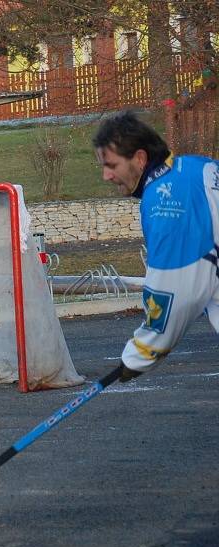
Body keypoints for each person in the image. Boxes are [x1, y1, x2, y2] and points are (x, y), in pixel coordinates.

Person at [93, 110, 219, 382]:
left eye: (112, 166)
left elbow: (173, 292)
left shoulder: (167, 201)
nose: (105, 176)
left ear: (139, 159)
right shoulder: (196, 167)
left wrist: (140, 353)